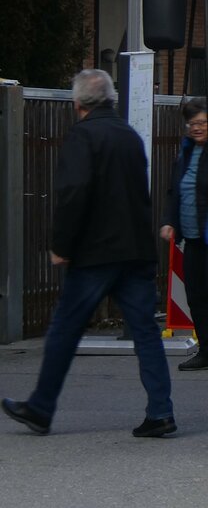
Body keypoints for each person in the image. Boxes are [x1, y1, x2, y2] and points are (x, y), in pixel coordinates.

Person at [2, 69, 175, 437]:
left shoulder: (83, 135)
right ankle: (161, 412)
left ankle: (41, 408)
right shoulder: (130, 136)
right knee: (145, 331)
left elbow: (73, 193)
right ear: (110, 99)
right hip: (136, 250)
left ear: (78, 103)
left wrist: (61, 246)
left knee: (65, 328)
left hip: (96, 252)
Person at [162, 98, 208, 371]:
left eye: (202, 122)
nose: (196, 128)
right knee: (195, 296)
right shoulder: (185, 151)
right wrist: (170, 221)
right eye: (192, 123)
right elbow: (175, 190)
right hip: (192, 239)